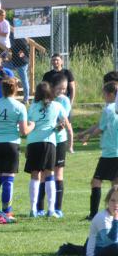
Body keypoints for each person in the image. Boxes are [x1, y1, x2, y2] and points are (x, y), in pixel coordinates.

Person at [0, 78, 32, 220]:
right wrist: (32, 125)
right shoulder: (20, 106)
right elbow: (24, 131)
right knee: (8, 180)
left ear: (2, 90)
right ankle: (6, 212)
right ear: (15, 89)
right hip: (11, 144)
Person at [77, 81, 118, 220]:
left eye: (104, 94)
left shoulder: (109, 109)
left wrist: (88, 137)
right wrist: (84, 133)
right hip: (115, 152)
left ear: (111, 94)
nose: (103, 96)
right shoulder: (113, 109)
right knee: (115, 185)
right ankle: (115, 215)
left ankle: (93, 215)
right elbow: (100, 124)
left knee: (96, 181)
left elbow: (100, 128)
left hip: (110, 153)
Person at [24, 81, 65, 218]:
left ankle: (33, 209)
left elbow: (29, 124)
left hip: (34, 142)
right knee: (49, 174)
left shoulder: (33, 107)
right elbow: (63, 121)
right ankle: (51, 210)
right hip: (49, 142)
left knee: (35, 175)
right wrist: (59, 126)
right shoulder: (57, 105)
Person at [43, 75, 74, 217]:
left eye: (64, 89)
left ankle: (58, 208)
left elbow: (63, 120)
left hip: (59, 140)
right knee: (44, 173)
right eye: (60, 88)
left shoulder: (64, 100)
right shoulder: (45, 99)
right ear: (52, 87)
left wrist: (60, 125)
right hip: (46, 140)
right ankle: (40, 207)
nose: (62, 91)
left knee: (58, 174)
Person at [85, 187, 118, 256]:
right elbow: (110, 242)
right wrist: (115, 221)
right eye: (112, 200)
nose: (116, 204)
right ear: (107, 201)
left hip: (111, 250)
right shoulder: (102, 217)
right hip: (95, 255)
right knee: (116, 247)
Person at [8, 38, 30, 103]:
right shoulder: (13, 37)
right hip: (14, 62)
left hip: (21, 64)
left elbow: (25, 49)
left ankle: (26, 99)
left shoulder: (21, 39)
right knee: (2, 66)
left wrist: (22, 53)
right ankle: (13, 79)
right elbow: (11, 49)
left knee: (24, 81)